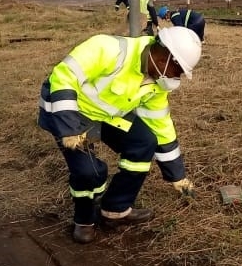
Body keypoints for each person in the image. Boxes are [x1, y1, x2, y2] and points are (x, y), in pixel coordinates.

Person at [38, 26, 203, 244]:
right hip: (67, 112)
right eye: (178, 71)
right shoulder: (107, 48)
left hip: (105, 115)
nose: (177, 78)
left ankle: (115, 210)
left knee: (144, 141)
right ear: (165, 58)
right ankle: (84, 220)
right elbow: (63, 76)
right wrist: (70, 129)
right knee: (90, 172)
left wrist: (177, 175)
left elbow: (161, 126)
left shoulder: (155, 82)